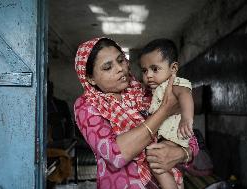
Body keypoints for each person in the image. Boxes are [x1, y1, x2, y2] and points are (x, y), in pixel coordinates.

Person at [74, 37, 199, 189]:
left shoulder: (148, 91)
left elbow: (189, 138)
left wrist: (181, 153)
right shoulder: (87, 105)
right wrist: (164, 110)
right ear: (90, 78)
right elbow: (116, 155)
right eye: (108, 67)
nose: (119, 68)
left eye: (121, 60)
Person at [139, 39, 194, 189]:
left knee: (154, 159)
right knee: (167, 167)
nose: (148, 75)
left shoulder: (173, 83)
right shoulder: (156, 90)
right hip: (168, 136)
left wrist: (186, 119)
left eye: (155, 69)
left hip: (174, 134)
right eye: (144, 70)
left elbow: (185, 95)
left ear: (173, 68)